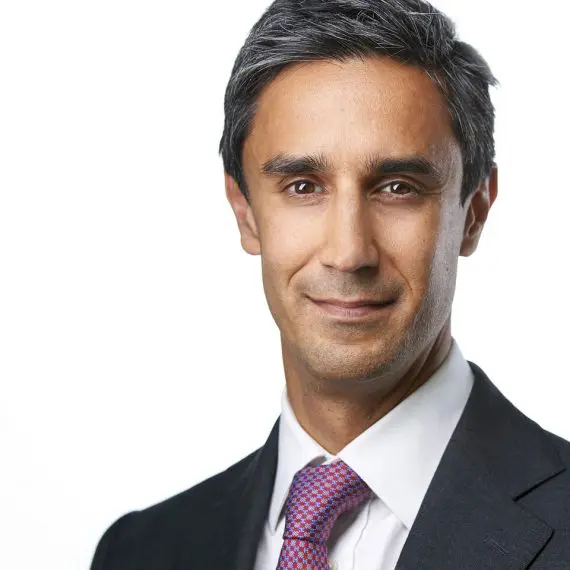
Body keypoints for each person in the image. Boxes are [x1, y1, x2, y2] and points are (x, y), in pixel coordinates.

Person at [90, 0, 570, 568]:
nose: (348, 253)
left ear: (475, 212)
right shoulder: (139, 552)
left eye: (397, 187)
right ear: (245, 212)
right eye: (303, 186)